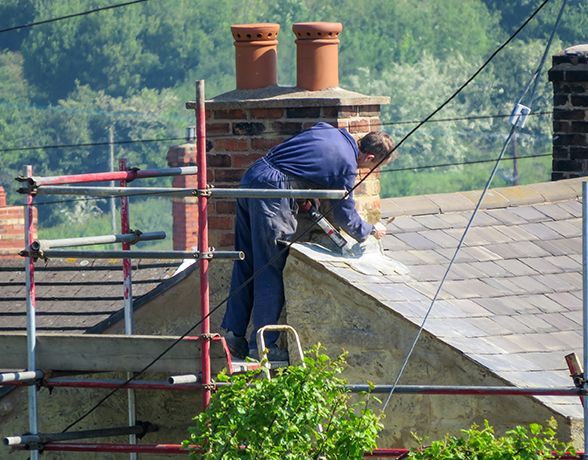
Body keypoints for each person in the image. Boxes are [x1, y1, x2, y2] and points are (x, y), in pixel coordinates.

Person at [221, 122, 396, 360]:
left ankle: (233, 332)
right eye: (374, 166)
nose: (368, 171)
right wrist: (369, 230)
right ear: (370, 156)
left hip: (253, 176)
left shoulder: (328, 129)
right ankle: (263, 347)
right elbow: (345, 215)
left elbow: (299, 163)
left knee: (246, 259)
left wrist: (301, 191)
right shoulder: (346, 165)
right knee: (269, 267)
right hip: (274, 193)